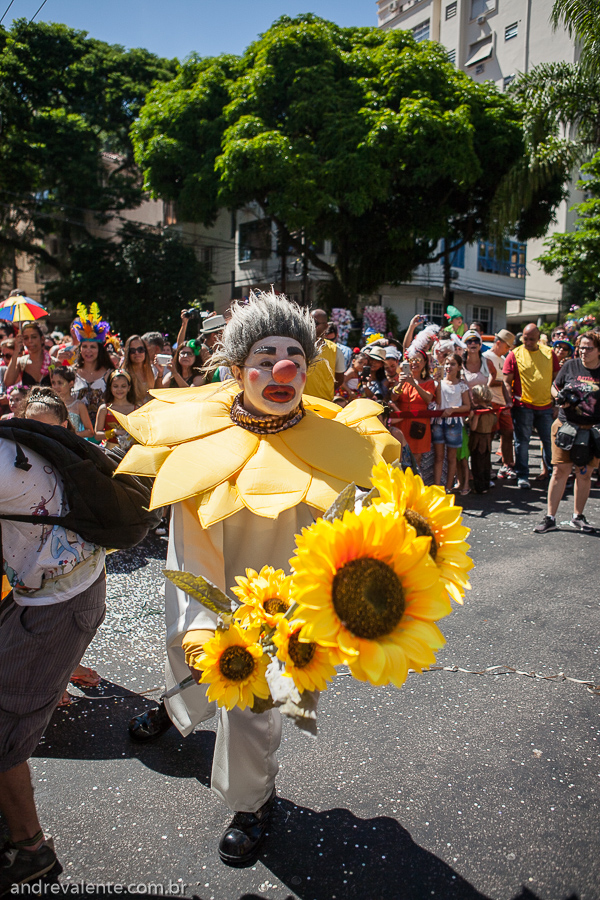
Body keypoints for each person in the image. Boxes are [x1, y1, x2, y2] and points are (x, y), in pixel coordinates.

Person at [118, 290, 400, 866]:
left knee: (253, 705)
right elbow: (191, 542)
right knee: (188, 654)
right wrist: (201, 622)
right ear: (238, 365)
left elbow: (356, 526)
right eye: (266, 354)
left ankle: (252, 801)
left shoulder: (339, 438)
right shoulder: (203, 439)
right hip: (212, 581)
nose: (283, 367)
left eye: (293, 354)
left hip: (289, 604)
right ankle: (180, 711)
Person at [0, 390, 106, 892]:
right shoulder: (12, 444)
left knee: (3, 727)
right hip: (59, 588)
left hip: (57, 603)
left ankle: (29, 850)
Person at [534, 331, 600, 534]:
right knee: (559, 471)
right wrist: (559, 397)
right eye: (581, 347)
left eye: (589, 348)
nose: (583, 351)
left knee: (584, 474)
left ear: (598, 350)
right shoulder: (570, 366)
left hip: (591, 430)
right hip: (566, 426)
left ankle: (578, 516)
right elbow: (555, 386)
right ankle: (550, 517)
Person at [503, 324, 559, 489]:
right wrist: (509, 401)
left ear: (538, 338)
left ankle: (554, 475)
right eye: (525, 339)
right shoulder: (514, 354)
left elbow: (556, 380)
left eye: (532, 339)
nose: (528, 342)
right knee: (522, 442)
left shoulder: (549, 353)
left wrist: (556, 403)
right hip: (523, 406)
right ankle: (523, 475)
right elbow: (506, 382)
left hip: (546, 405)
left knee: (549, 442)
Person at [389, 349, 436, 468]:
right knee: (398, 457)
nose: (414, 363)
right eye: (411, 360)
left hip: (418, 424)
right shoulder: (400, 378)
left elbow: (428, 398)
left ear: (425, 362)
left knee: (416, 458)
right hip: (401, 422)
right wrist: (401, 383)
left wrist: (414, 384)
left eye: (418, 360)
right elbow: (394, 397)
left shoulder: (429, 382)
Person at [432, 353, 471, 493]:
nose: (449, 367)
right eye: (447, 363)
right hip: (438, 422)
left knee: (452, 457)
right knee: (438, 456)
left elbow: (467, 406)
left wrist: (453, 409)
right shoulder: (439, 384)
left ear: (459, 366)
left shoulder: (462, 386)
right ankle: (437, 488)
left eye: (453, 364)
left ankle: (448, 487)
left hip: (454, 423)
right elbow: (435, 401)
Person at [71, 306, 114, 426]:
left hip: (103, 430)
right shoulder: (72, 372)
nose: (88, 351)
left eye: (93, 347)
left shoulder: (110, 374)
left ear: (100, 350)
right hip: (77, 431)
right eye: (84, 346)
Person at [484, 329, 516, 480]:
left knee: (508, 433)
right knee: (489, 436)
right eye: (507, 346)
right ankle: (488, 466)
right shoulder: (486, 357)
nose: (509, 349)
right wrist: (505, 383)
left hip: (503, 402)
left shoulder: (502, 359)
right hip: (491, 401)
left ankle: (507, 464)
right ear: (499, 343)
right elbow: (488, 381)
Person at [304, 309, 346, 400]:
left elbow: (339, 379)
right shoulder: (299, 346)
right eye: (308, 322)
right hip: (301, 404)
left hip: (324, 404)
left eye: (315, 323)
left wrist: (325, 390)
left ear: (326, 326)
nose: (310, 326)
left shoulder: (335, 350)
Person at [95, 370, 138, 449]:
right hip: (109, 452)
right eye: (115, 386)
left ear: (129, 387)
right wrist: (113, 432)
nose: (119, 389)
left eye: (123, 386)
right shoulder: (104, 409)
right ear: (110, 388)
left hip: (131, 452)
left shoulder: (137, 409)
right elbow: (97, 435)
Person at [467, 385, 497, 494]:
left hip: (478, 440)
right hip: (488, 438)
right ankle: (486, 484)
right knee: (486, 463)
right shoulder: (491, 410)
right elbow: (494, 423)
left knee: (477, 464)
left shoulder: (478, 411)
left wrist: (470, 419)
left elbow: (474, 427)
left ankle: (479, 487)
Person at [49, 367, 94, 439]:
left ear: (70, 384)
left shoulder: (78, 405)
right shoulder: (50, 404)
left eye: (60, 383)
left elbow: (90, 431)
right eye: (53, 383)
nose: (56, 386)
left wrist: (72, 435)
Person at [3, 323, 52, 389]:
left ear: (42, 339)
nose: (30, 341)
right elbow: (8, 382)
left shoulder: (53, 362)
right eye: (26, 338)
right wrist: (16, 351)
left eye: (34, 337)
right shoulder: (21, 362)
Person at [123, 335, 157, 406]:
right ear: (128, 353)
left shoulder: (152, 370)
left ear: (145, 351)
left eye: (140, 349)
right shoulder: (124, 375)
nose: (137, 353)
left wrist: (160, 374)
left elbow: (158, 392)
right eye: (132, 351)